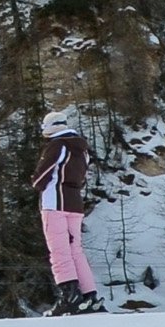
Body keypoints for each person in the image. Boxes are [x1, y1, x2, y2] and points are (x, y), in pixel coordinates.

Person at [33, 111, 104, 314]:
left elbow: (41, 177)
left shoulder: (57, 145)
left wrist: (35, 181)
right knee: (76, 251)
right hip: (75, 203)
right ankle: (89, 295)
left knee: (59, 251)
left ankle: (69, 296)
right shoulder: (82, 149)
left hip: (54, 202)